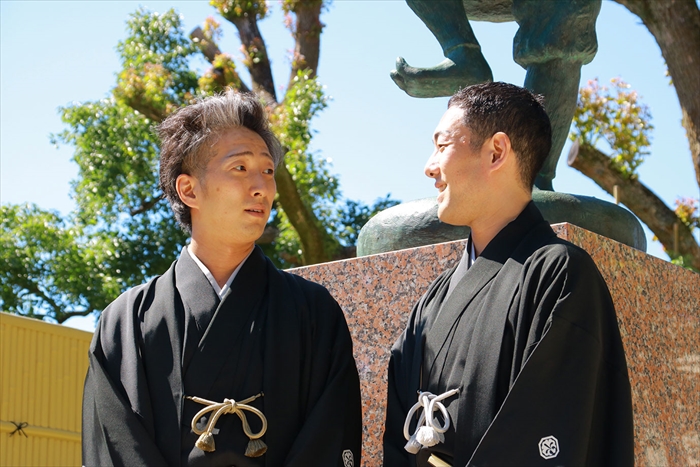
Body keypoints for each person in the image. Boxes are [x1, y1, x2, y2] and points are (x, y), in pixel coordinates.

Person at [82, 90, 362, 467]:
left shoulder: (313, 313)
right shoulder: (125, 323)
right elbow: (114, 447)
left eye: (267, 170)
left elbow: (330, 437)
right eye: (240, 168)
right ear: (189, 189)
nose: (262, 186)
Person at [383, 82, 634, 466]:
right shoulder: (432, 300)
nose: (429, 166)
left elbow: (552, 432)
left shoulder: (559, 275)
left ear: (496, 151)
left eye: (442, 145)